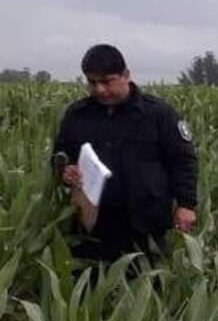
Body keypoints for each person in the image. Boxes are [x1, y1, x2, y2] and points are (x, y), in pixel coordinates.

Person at [52, 44, 199, 263]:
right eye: (93, 82)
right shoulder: (78, 115)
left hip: (145, 223)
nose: (100, 89)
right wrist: (65, 170)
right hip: (93, 224)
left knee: (146, 286)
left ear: (126, 75)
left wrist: (186, 205)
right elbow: (60, 155)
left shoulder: (158, 114)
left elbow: (182, 160)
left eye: (107, 81)